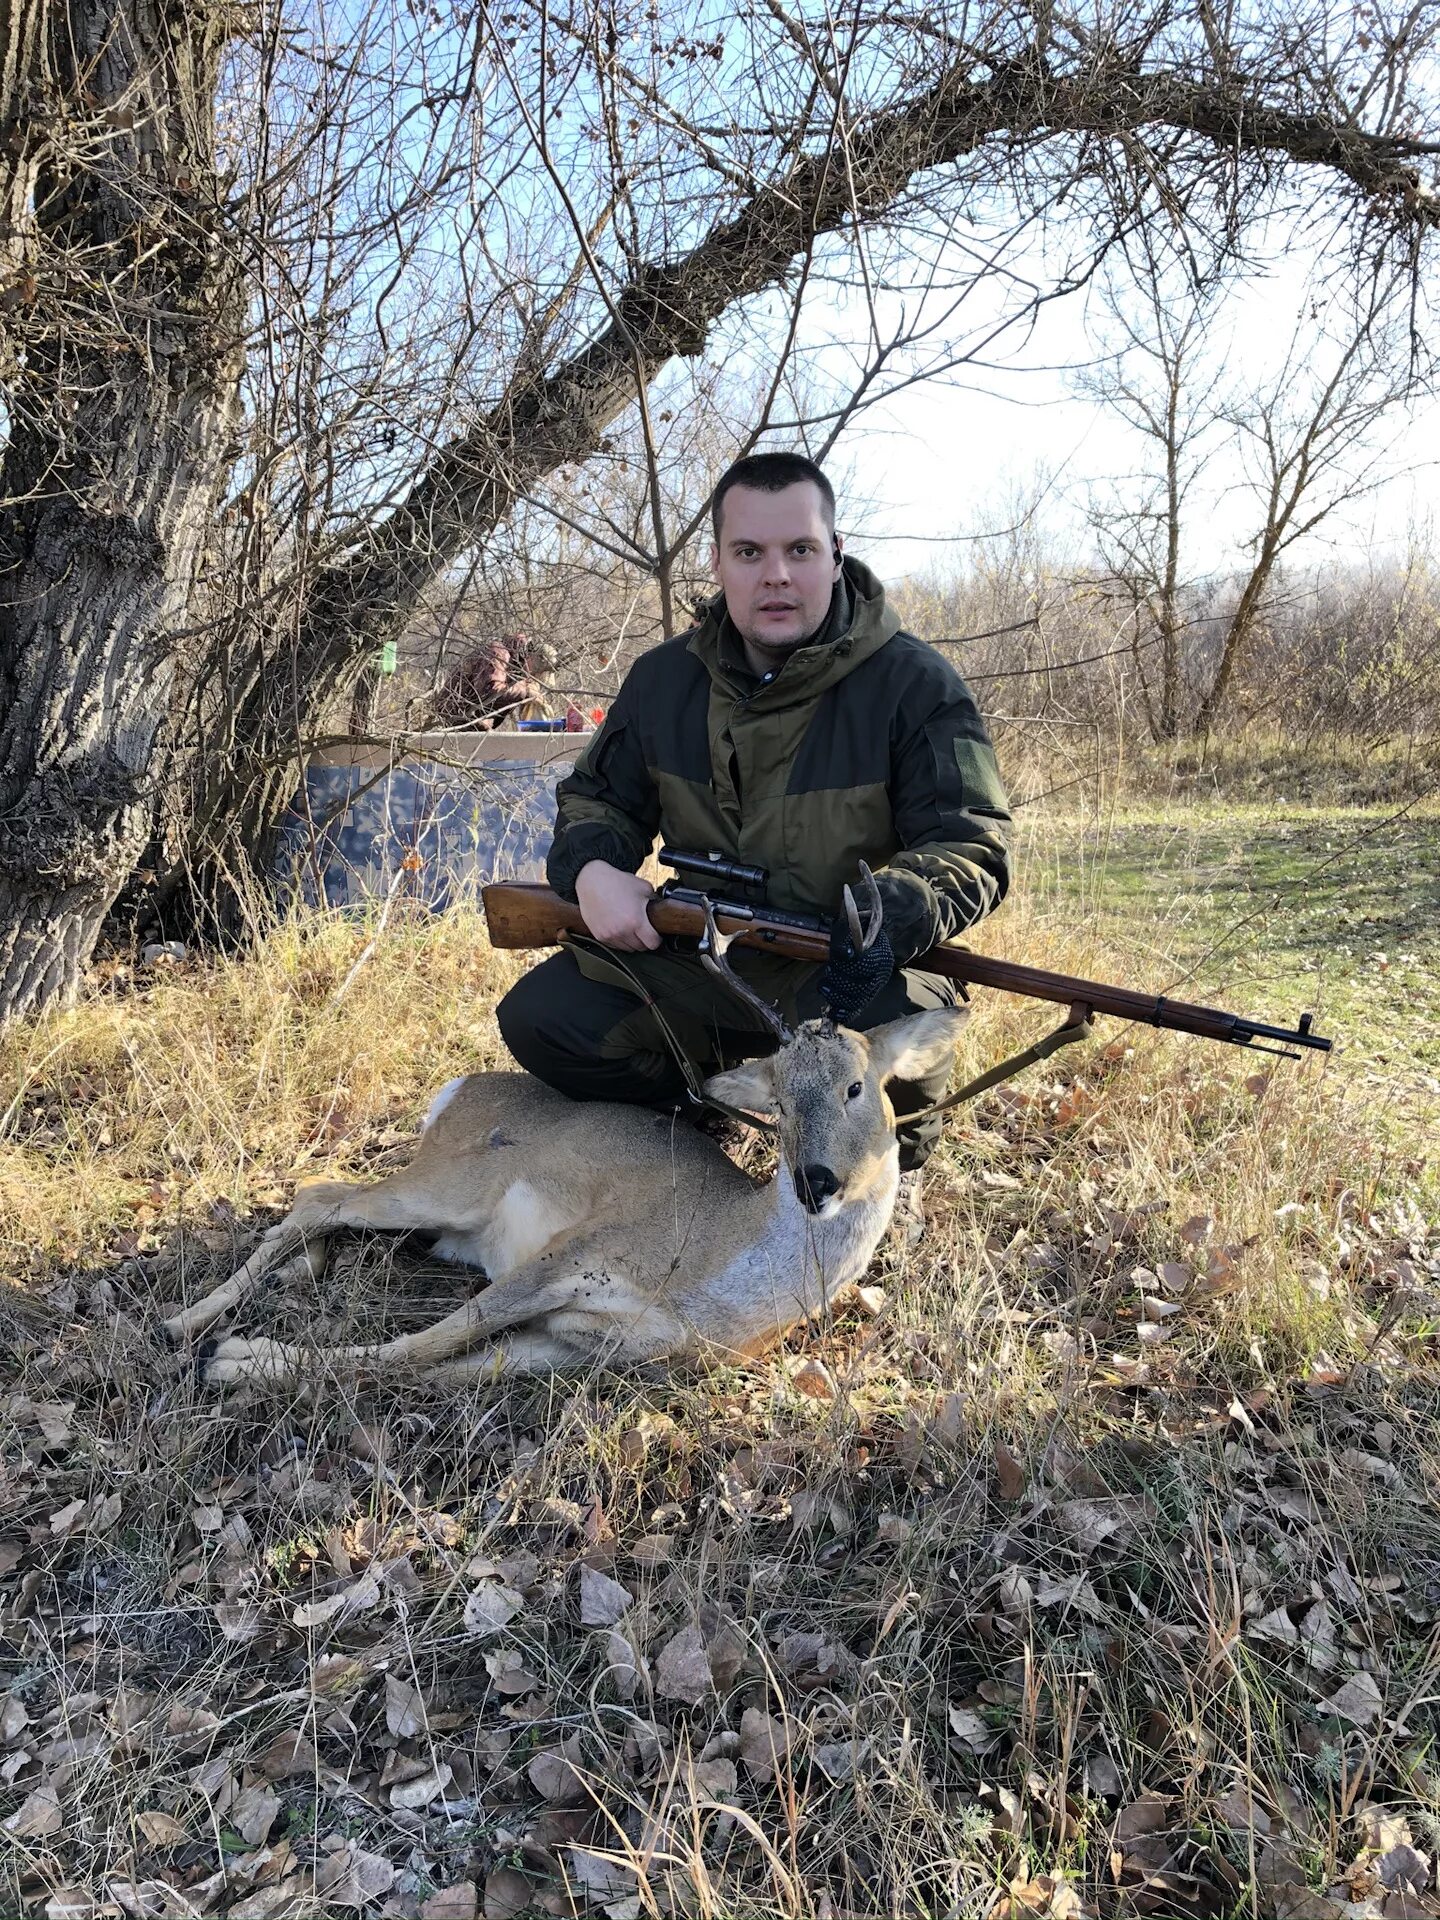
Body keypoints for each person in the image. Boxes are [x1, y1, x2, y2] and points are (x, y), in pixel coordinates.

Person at [496, 451, 1012, 1173]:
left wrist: (888, 910)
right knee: (543, 1022)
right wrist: (593, 872)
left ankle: (854, 1165)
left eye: (799, 549)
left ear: (835, 554)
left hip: (839, 968)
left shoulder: (914, 684)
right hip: (701, 955)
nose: (776, 575)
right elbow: (598, 799)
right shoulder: (662, 680)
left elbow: (972, 843)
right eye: (749, 552)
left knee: (904, 1082)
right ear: (716, 564)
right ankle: (699, 1125)